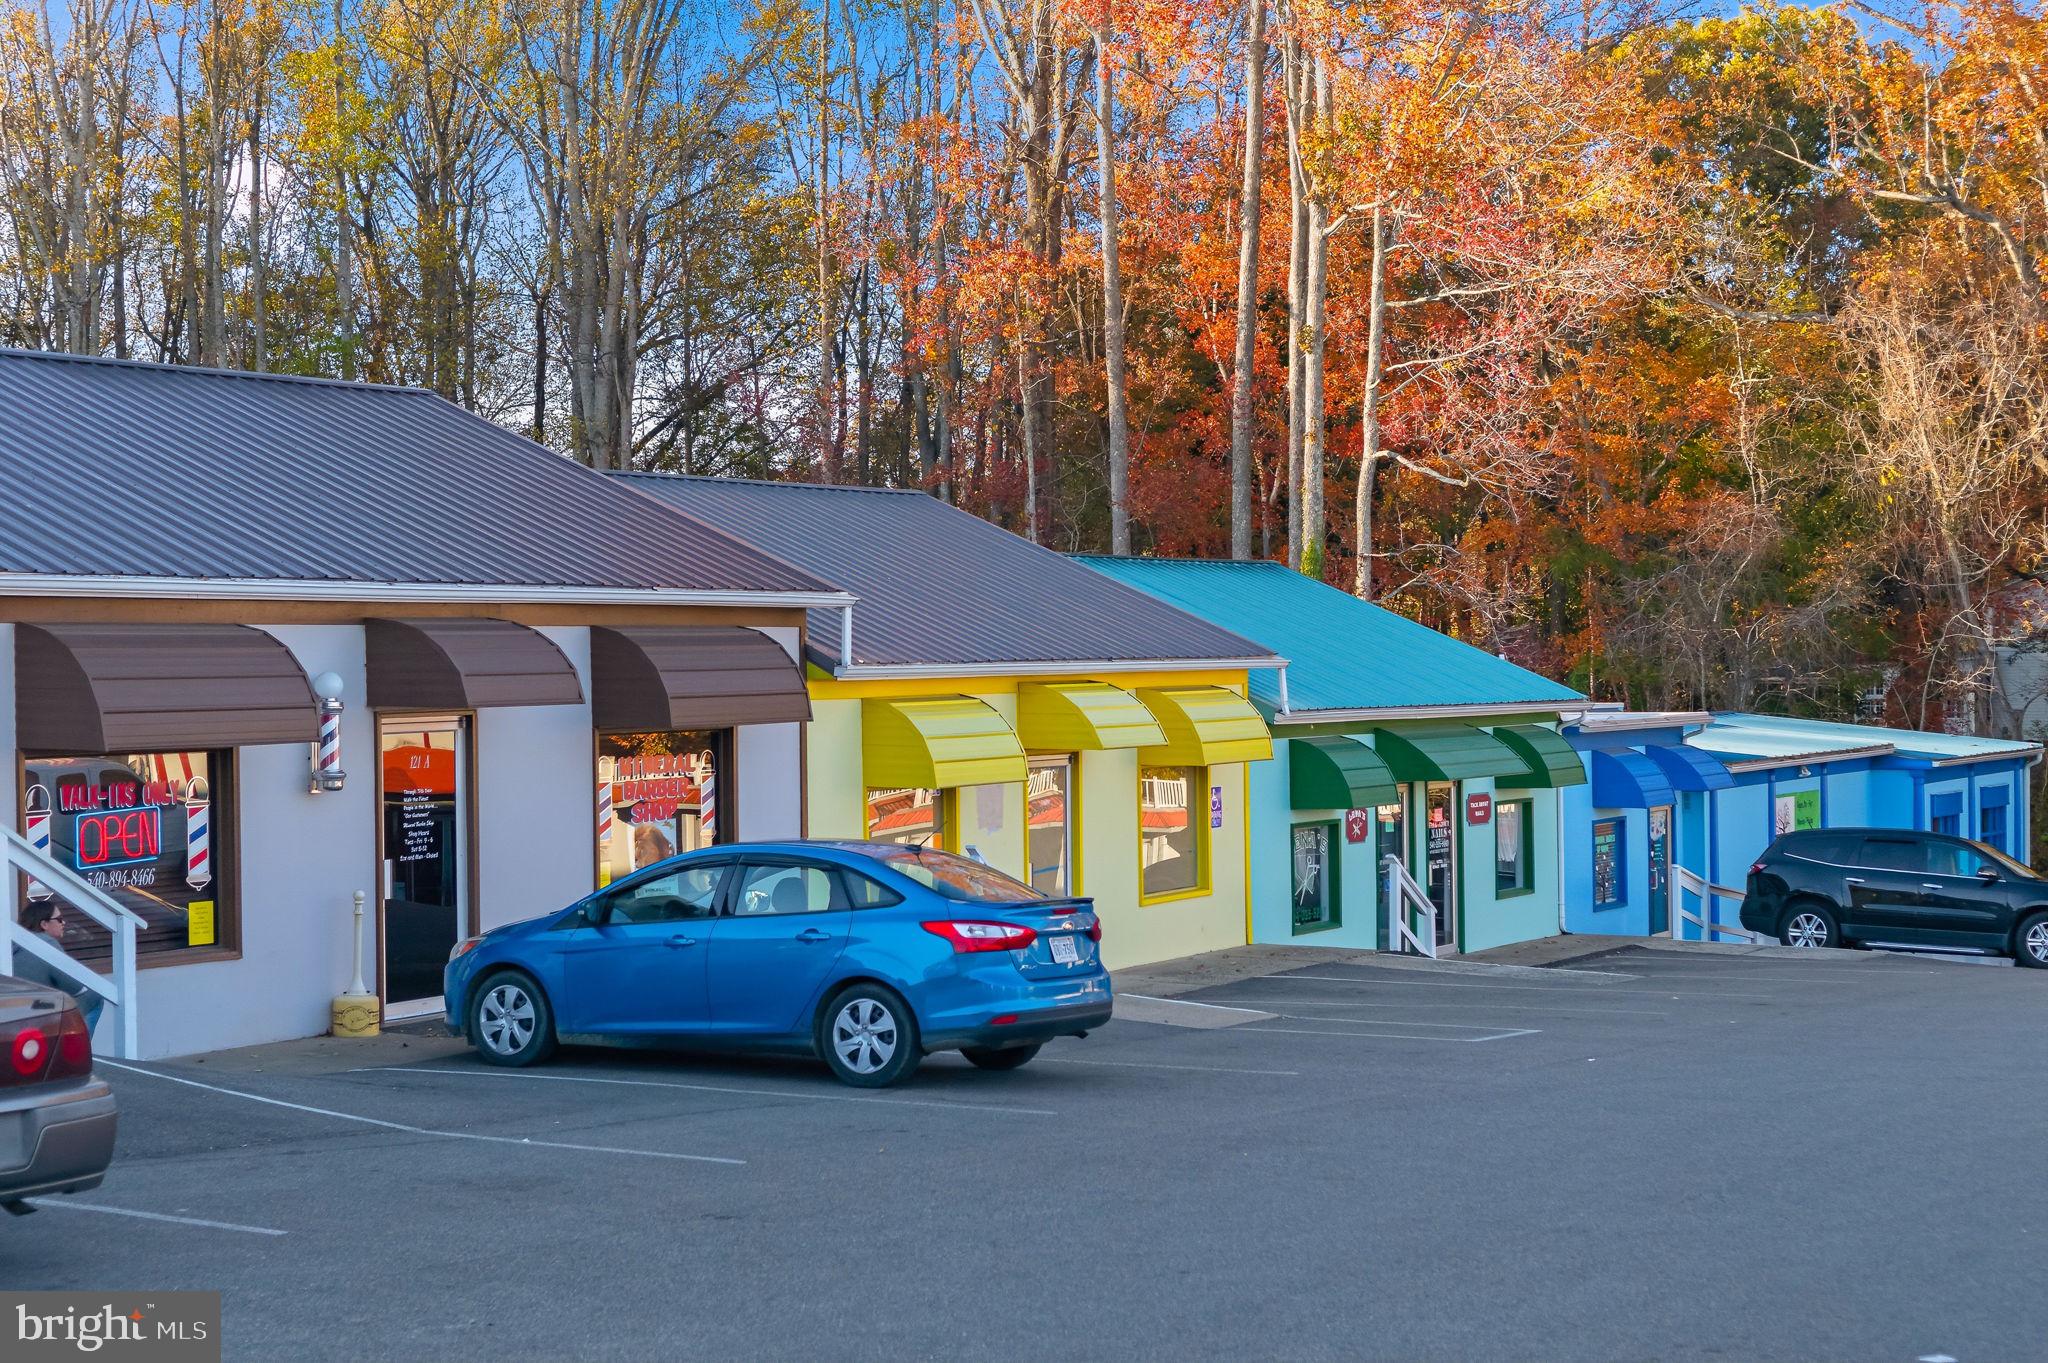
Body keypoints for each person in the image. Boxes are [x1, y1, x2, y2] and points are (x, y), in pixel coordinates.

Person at [13, 903, 103, 1035]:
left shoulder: (13, 941)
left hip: (15, 1010)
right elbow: (75, 987)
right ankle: (78, 1052)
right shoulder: (47, 944)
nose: (64, 922)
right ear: (44, 924)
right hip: (38, 1011)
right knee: (95, 997)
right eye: (59, 919)